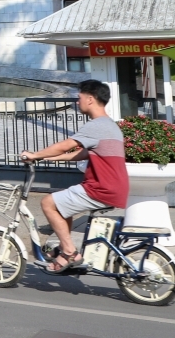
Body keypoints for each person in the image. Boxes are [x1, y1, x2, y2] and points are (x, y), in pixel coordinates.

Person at [20, 79, 127, 272]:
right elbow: (84, 153)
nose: (77, 103)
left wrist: (34, 155)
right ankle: (63, 247)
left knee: (48, 203)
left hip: (100, 188)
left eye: (79, 98)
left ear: (90, 99)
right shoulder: (110, 125)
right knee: (62, 205)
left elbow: (65, 145)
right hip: (114, 187)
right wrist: (54, 158)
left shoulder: (96, 125)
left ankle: (69, 251)